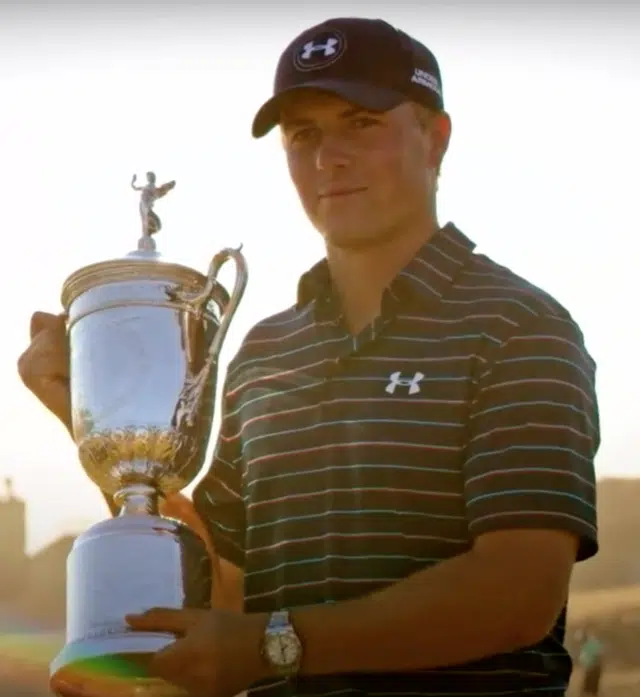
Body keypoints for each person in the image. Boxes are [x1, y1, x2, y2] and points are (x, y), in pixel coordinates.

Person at [18, 16, 599, 697]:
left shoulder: (519, 327)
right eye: (304, 135)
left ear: (434, 139)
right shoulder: (266, 354)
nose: (329, 158)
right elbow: (226, 587)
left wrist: (276, 647)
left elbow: (518, 589)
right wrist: (84, 404)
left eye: (361, 123)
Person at [577, 630, 604, 696]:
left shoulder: (590, 644)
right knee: (591, 685)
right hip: (593, 667)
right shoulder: (591, 643)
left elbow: (598, 655)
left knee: (590, 684)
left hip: (594, 667)